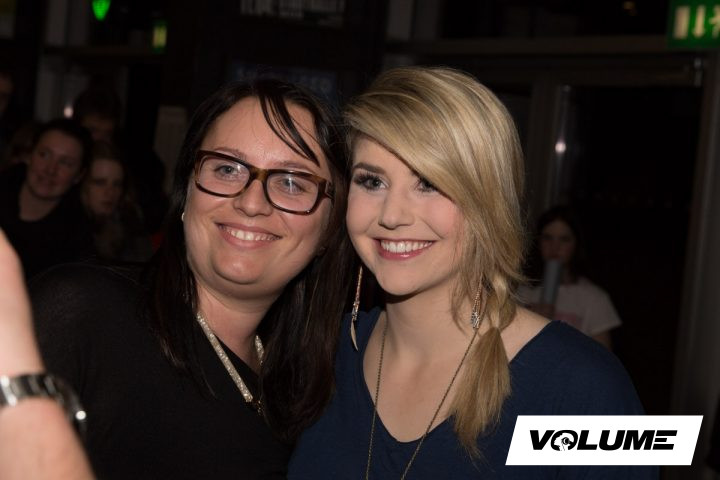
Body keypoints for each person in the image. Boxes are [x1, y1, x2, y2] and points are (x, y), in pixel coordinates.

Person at [289, 67, 656, 478]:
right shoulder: (321, 355)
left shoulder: (584, 387)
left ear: (487, 201)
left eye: (428, 183)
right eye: (372, 181)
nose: (391, 215)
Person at [28, 79, 354, 479]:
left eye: (291, 182)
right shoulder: (83, 315)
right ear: (187, 192)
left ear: (329, 229)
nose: (251, 202)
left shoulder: (316, 392)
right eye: (227, 169)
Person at [0, 118, 94, 278]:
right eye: (44, 155)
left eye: (66, 163)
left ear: (79, 175)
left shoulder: (77, 235)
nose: (50, 169)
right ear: (29, 155)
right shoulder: (4, 185)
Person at [517, 205, 622, 349]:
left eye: (564, 239)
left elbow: (601, 355)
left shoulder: (594, 298)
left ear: (576, 244)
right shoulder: (521, 291)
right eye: (548, 238)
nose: (555, 247)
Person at [80, 141, 153, 262]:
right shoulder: (65, 230)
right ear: (83, 184)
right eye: (100, 183)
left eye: (117, 184)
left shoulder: (132, 228)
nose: (110, 192)